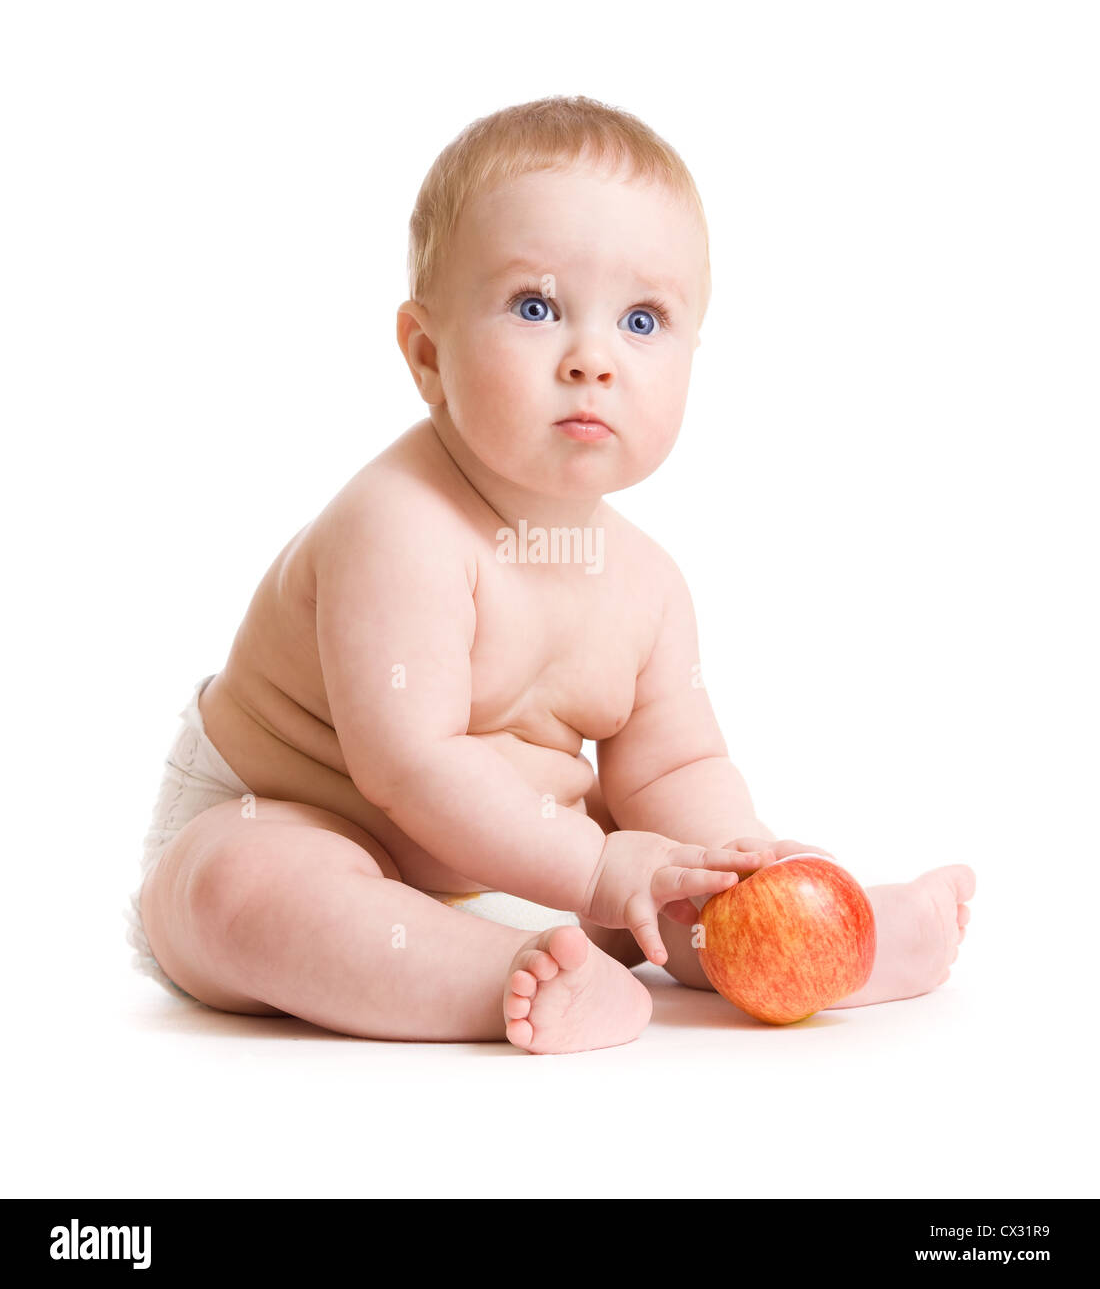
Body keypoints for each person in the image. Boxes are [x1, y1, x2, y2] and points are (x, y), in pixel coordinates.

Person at [125, 94, 974, 1053]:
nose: (593, 360)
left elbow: (676, 768)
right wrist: (601, 871)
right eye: (536, 307)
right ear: (429, 354)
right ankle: (491, 980)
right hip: (304, 827)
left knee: (682, 874)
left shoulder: (649, 586)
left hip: (531, 873)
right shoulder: (396, 527)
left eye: (644, 320)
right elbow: (409, 763)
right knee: (236, 890)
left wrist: (732, 867)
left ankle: (849, 944)